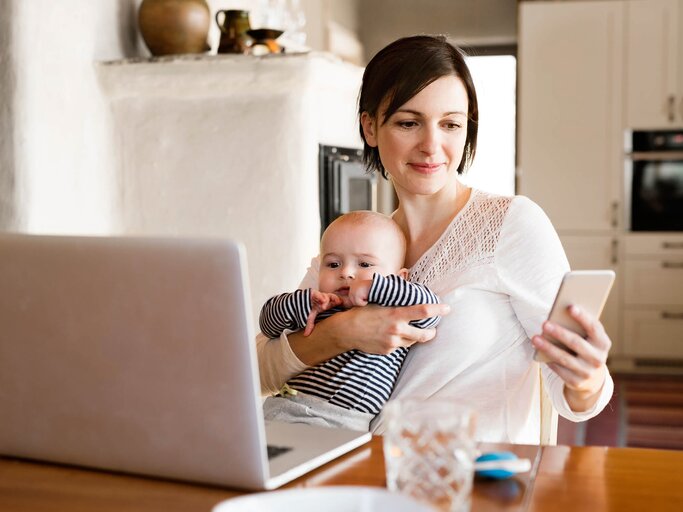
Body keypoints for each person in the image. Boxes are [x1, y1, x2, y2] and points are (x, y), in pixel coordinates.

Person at [256, 35, 614, 444]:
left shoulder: (512, 224)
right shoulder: (354, 243)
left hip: (468, 483)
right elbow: (262, 369)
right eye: (409, 123)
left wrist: (586, 380)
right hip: (356, 473)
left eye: (450, 124)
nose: (431, 146)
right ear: (370, 127)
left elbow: (575, 396)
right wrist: (345, 332)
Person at [259, 210, 440, 432]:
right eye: (333, 264)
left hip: (342, 423)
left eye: (364, 265)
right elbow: (267, 324)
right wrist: (303, 302)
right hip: (283, 408)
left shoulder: (395, 310)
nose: (346, 272)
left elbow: (430, 310)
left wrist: (374, 287)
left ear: (399, 278)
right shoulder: (321, 306)